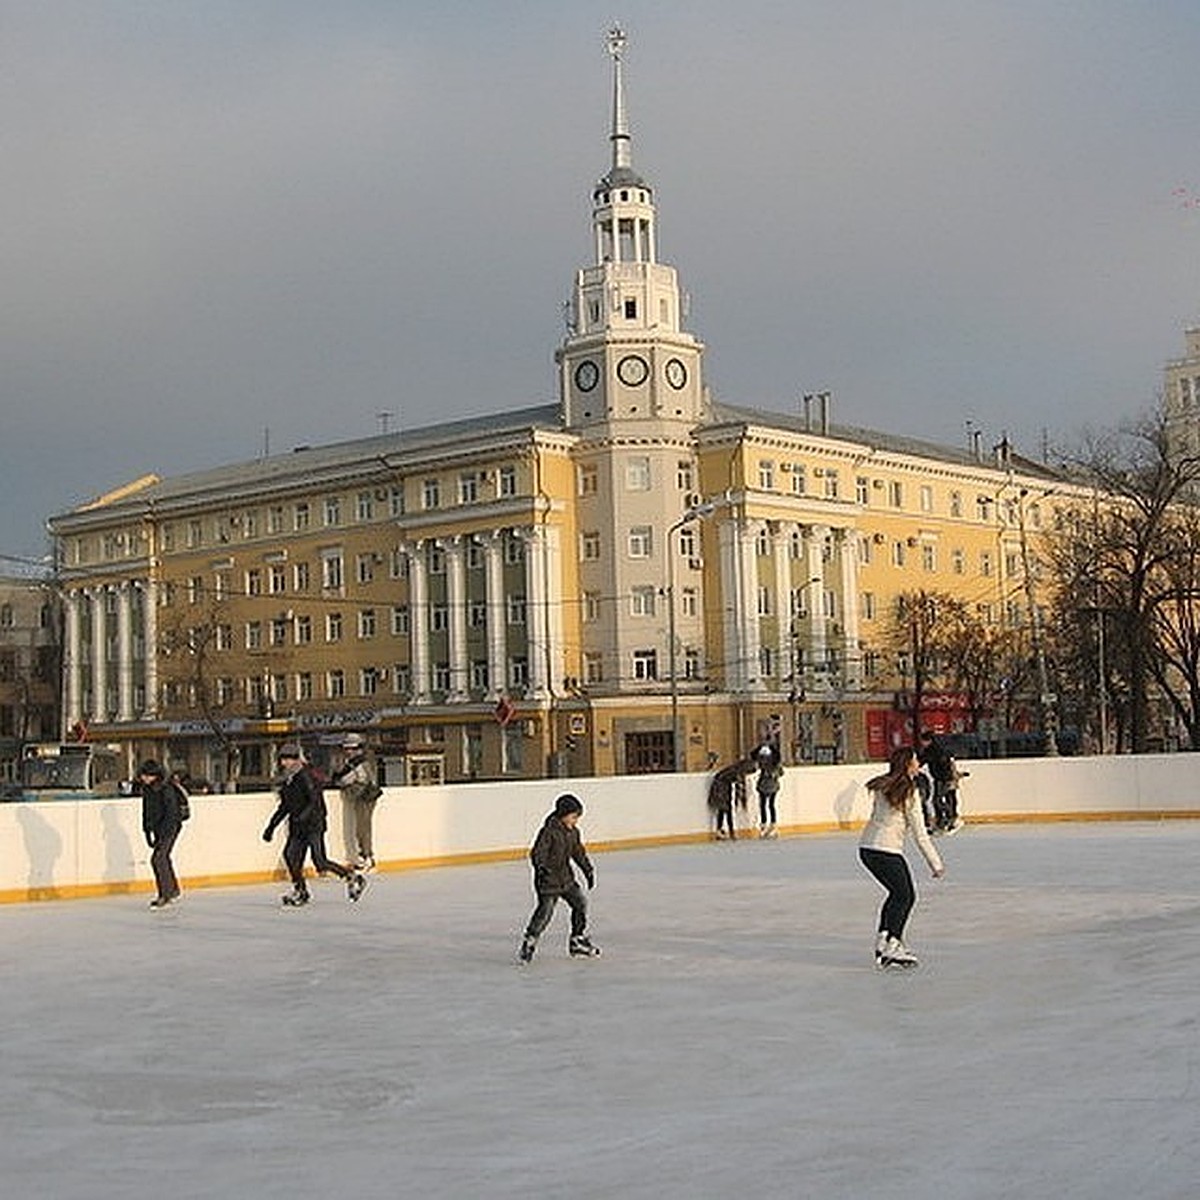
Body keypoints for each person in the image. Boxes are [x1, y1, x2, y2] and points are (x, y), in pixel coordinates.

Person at [859, 745, 945, 968]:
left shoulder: (883, 785)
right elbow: (920, 833)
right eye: (916, 761)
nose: (919, 765)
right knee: (906, 896)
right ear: (908, 764)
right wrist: (936, 863)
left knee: (896, 894)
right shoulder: (910, 792)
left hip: (867, 849)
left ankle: (884, 938)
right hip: (886, 850)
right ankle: (893, 945)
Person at [262, 744, 367, 907]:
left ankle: (351, 876)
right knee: (291, 857)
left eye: (288, 759)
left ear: (296, 759)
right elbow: (284, 807)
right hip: (297, 827)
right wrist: (271, 827)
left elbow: (314, 800)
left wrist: (303, 816)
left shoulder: (306, 776)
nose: (284, 763)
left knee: (320, 861)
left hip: (313, 825)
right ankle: (300, 890)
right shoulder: (288, 780)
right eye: (283, 759)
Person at [518, 793, 599, 962]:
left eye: (577, 817)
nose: (575, 821)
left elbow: (578, 853)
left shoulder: (573, 833)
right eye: (573, 817)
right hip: (548, 881)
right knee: (545, 913)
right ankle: (530, 940)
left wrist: (588, 870)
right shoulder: (548, 832)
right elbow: (537, 853)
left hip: (566, 879)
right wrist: (541, 868)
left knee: (580, 904)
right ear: (563, 815)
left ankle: (577, 940)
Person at [138, 759, 186, 908]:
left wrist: (164, 835)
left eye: (146, 775)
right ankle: (173, 889)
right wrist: (147, 831)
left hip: (171, 827)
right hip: (158, 829)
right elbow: (146, 812)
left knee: (158, 859)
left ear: (155, 775)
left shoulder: (166, 789)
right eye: (142, 775)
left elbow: (171, 814)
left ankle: (165, 894)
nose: (143, 778)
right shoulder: (147, 789)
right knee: (163, 858)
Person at [330, 732, 381, 870]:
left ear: (359, 748)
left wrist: (341, 780)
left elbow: (348, 779)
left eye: (352, 748)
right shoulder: (355, 762)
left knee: (363, 829)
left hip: (365, 798)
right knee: (361, 829)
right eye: (347, 749)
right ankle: (364, 856)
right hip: (362, 797)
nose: (349, 751)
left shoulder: (360, 762)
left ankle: (368, 857)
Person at [917, 729, 958, 833]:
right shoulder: (931, 750)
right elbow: (922, 760)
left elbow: (926, 760)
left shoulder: (935, 750)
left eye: (923, 741)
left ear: (928, 740)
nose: (922, 743)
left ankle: (950, 816)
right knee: (938, 800)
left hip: (943, 778)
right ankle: (942, 819)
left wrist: (949, 778)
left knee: (938, 800)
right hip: (939, 778)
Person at [707, 758, 753, 840]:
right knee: (727, 810)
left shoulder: (735, 769)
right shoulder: (736, 771)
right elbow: (739, 786)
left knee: (723, 810)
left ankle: (721, 830)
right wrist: (741, 799)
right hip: (721, 789)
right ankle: (729, 832)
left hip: (723, 789)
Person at [753, 740, 784, 838]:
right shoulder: (764, 761)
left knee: (768, 805)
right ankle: (766, 825)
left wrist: (773, 774)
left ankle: (771, 825)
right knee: (766, 805)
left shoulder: (774, 763)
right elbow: (753, 755)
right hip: (765, 784)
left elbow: (781, 772)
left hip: (770, 785)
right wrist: (760, 747)